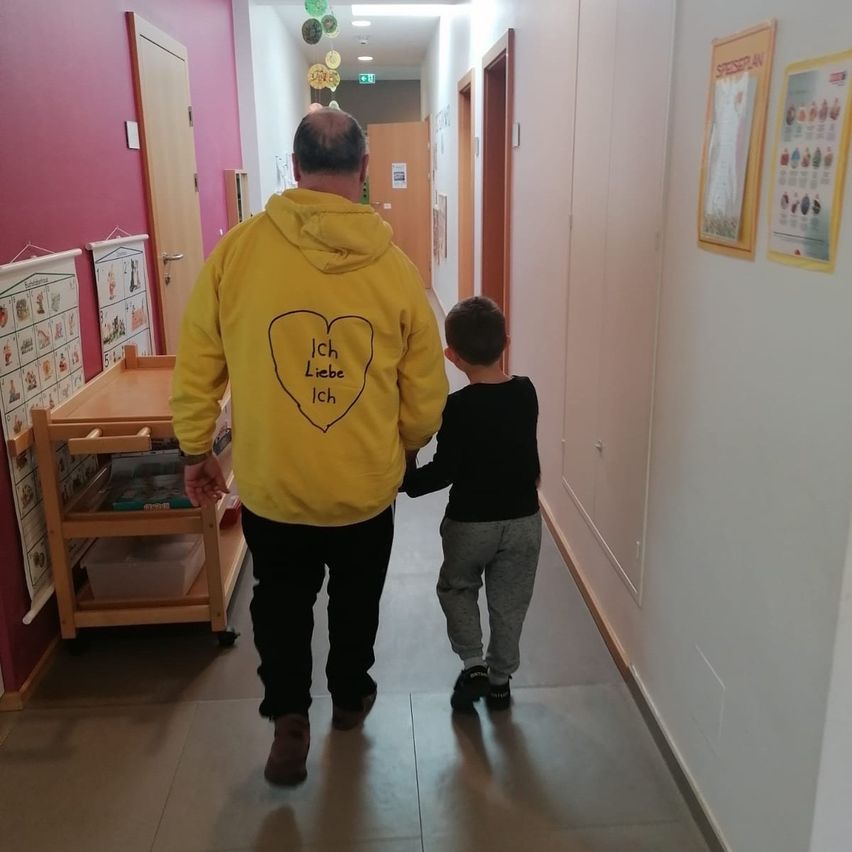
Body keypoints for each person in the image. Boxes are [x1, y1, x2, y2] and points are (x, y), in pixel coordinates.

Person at [170, 109, 448, 786]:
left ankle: (289, 715)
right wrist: (406, 445)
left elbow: (199, 357)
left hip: (273, 486)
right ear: (362, 172)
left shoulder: (237, 253)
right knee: (357, 598)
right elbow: (426, 389)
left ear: (294, 170)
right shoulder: (397, 269)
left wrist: (194, 447)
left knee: (280, 600)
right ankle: (350, 696)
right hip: (361, 488)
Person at [403, 296, 541, 713]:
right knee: (509, 602)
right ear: (507, 342)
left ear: (452, 356)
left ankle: (473, 664)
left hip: (470, 523)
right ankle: (501, 681)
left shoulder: (457, 408)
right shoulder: (526, 391)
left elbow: (445, 471)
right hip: (523, 520)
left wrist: (408, 477)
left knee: (458, 587)